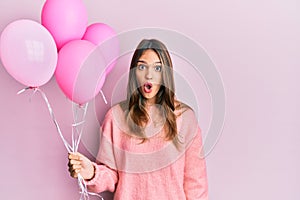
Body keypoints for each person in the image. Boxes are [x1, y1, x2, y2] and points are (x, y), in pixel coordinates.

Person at [68, 39, 208, 199]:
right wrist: (91, 172)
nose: (149, 75)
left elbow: (196, 184)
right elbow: (111, 175)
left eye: (157, 68)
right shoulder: (116, 117)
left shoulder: (185, 118)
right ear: (134, 71)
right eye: (142, 67)